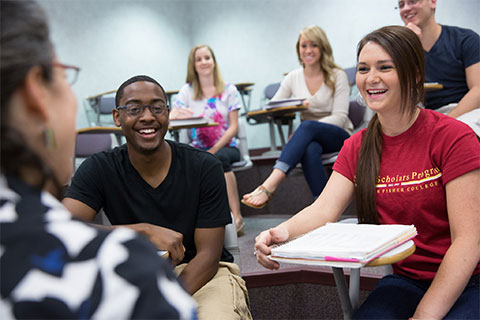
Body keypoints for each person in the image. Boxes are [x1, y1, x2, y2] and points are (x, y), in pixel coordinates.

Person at [254, 26, 480, 319]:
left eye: (384, 67)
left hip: (467, 282)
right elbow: (323, 209)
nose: (371, 78)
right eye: (363, 69)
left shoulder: (454, 137)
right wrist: (279, 233)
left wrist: (425, 314)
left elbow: (468, 241)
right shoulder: (357, 146)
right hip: (406, 281)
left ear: (412, 74)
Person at [0, 1, 197, 319]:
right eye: (63, 75)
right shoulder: (120, 271)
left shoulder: (200, 165)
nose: (147, 117)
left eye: (157, 107)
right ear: (36, 95)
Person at [62, 75, 252, 320]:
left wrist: (165, 299)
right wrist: (142, 232)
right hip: (130, 274)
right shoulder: (99, 168)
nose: (147, 116)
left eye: (157, 107)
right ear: (117, 117)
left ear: (168, 113)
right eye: (134, 108)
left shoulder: (205, 167)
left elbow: (209, 255)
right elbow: (63, 230)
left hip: (204, 275)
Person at [242, 25, 351, 208]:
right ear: (298, 50)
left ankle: (269, 185)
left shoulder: (337, 75)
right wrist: (291, 104)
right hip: (310, 137)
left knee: (307, 126)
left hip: (339, 135)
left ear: (323, 47)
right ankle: (323, 207)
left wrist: (305, 130)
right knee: (310, 148)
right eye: (304, 46)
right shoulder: (293, 77)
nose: (308, 50)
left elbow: (340, 116)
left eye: (314, 45)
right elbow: (272, 106)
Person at [171, 45, 245, 236]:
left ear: (213, 61)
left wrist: (213, 150)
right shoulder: (187, 91)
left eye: (207, 58)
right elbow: (171, 115)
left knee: (219, 158)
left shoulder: (229, 90)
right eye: (199, 59)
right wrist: (179, 113)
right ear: (193, 65)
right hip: (198, 148)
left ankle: (236, 217)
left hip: (227, 147)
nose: (204, 62)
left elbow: (234, 127)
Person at [398, 0, 480, 135]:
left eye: (412, 2)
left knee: (457, 133)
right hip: (429, 115)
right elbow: (400, 96)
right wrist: (409, 47)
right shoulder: (403, 50)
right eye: (401, 5)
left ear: (432, 2)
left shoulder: (465, 39)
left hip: (467, 111)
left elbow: (478, 90)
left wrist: (445, 122)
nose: (406, 8)